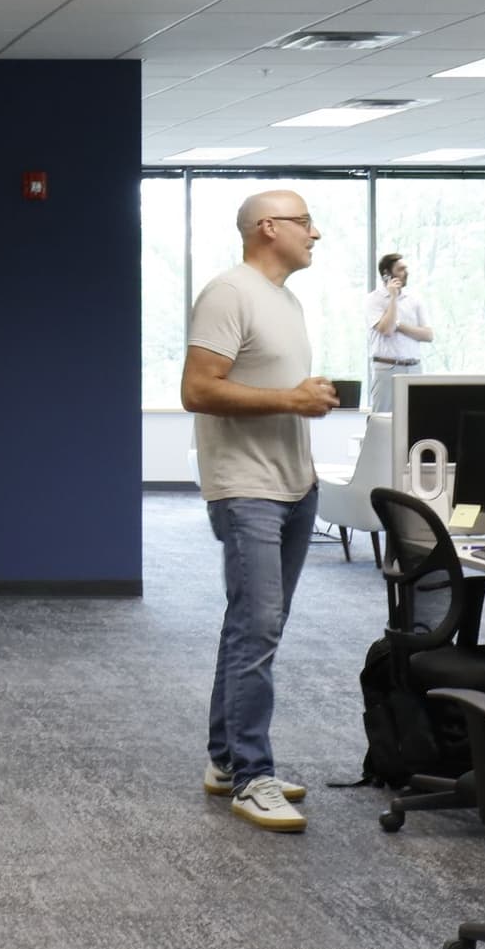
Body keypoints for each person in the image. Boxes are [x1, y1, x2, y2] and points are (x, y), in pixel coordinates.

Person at [182, 188, 340, 832]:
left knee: (250, 627)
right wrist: (289, 401)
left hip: (295, 485)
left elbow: (271, 387)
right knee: (257, 631)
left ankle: (226, 761)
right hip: (246, 489)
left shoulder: (286, 299)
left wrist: (306, 399)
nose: (317, 234)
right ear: (268, 228)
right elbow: (197, 389)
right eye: (306, 223)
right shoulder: (229, 292)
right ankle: (252, 776)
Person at [367, 251, 433, 411]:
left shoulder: (414, 299)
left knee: (416, 418)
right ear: (387, 274)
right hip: (387, 368)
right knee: (382, 419)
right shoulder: (373, 299)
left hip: (414, 368)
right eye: (401, 269)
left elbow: (428, 335)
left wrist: (399, 325)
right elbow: (387, 330)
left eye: (406, 269)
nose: (406, 272)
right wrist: (393, 298)